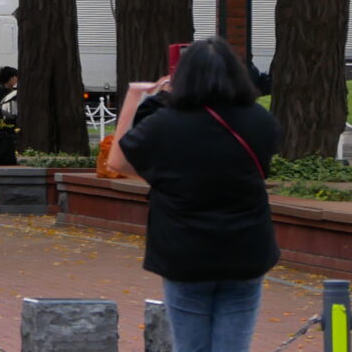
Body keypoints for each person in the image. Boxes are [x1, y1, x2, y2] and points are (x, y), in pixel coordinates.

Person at [118, 37, 279, 352]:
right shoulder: (262, 121)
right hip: (246, 249)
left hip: (184, 251)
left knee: (189, 346)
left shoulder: (164, 124)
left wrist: (137, 97)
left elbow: (118, 161)